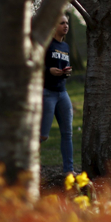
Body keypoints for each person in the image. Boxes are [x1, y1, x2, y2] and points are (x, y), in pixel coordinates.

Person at [40, 14, 75, 175]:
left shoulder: (65, 46)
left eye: (67, 23)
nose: (65, 25)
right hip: (47, 93)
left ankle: (69, 170)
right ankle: (23, 164)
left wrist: (66, 72)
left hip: (62, 93)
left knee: (67, 133)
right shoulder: (46, 45)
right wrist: (49, 71)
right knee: (43, 135)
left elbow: (65, 66)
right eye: (62, 23)